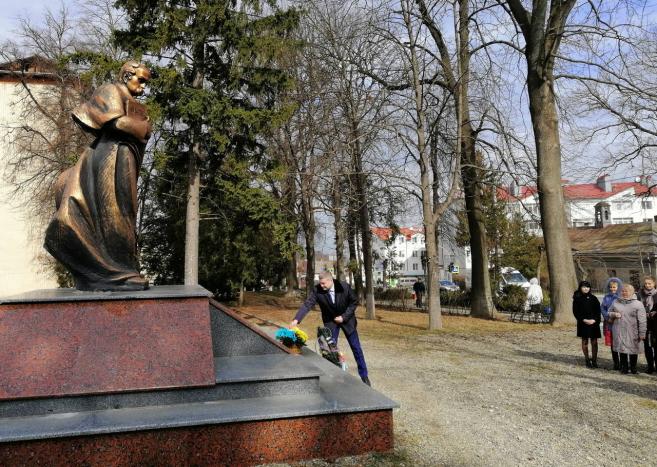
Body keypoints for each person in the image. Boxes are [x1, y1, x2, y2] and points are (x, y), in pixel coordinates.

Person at [44, 61, 151, 291]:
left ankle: (121, 267)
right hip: (110, 156)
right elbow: (114, 122)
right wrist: (142, 128)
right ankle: (117, 272)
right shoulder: (110, 90)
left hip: (124, 156)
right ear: (127, 76)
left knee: (125, 209)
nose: (143, 86)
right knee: (114, 209)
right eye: (140, 80)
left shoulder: (132, 101)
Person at [290, 272, 370, 386]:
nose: (321, 285)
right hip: (330, 321)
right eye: (320, 283)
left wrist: (343, 317)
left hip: (347, 320)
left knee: (356, 348)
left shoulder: (344, 287)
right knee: (329, 350)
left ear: (330, 280)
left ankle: (364, 376)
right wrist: (296, 320)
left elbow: (354, 302)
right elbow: (308, 304)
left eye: (323, 283)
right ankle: (333, 376)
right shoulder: (317, 290)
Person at [608, 283, 647, 374]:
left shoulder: (638, 304)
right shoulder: (616, 301)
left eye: (627, 291)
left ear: (632, 292)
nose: (624, 293)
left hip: (632, 331)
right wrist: (614, 314)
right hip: (619, 330)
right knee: (622, 349)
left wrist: (642, 333)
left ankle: (633, 368)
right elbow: (609, 312)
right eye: (623, 291)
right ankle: (624, 368)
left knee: (633, 349)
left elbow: (642, 320)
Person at [572, 280, 601, 368]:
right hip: (583, 323)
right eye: (584, 287)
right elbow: (575, 312)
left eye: (587, 287)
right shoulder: (577, 298)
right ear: (580, 288)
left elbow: (598, 311)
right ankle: (587, 360)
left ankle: (594, 360)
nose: (586, 289)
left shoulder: (594, 298)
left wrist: (594, 320)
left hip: (594, 323)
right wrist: (583, 320)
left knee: (594, 342)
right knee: (585, 341)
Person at [600, 277, 622, 370]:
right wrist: (607, 317)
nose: (612, 289)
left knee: (620, 342)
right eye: (611, 287)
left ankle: (623, 362)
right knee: (613, 344)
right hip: (609, 322)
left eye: (614, 287)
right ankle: (616, 363)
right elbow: (603, 308)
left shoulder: (621, 297)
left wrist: (615, 317)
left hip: (619, 322)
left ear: (618, 287)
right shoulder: (606, 297)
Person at [638, 276, 657, 374]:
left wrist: (656, 312)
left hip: (655, 323)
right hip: (644, 323)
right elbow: (637, 306)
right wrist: (642, 313)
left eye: (649, 283)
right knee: (647, 346)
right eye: (646, 283)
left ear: (654, 284)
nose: (647, 285)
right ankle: (650, 366)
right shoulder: (640, 294)